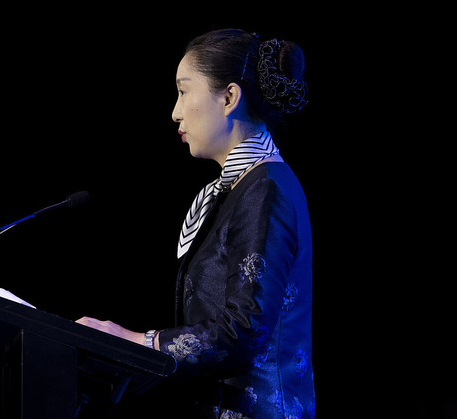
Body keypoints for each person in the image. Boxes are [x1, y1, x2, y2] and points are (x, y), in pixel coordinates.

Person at [77, 28, 314, 418]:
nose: (175, 111)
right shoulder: (244, 187)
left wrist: (141, 340)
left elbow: (245, 329)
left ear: (229, 97)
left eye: (184, 91)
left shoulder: (266, 187)